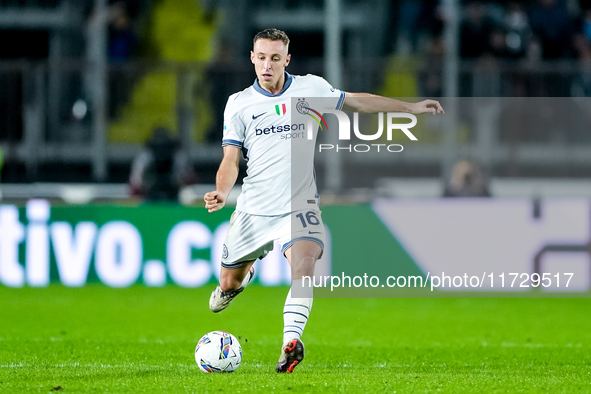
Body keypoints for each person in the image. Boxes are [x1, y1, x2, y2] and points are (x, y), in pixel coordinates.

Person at [204, 28, 443, 374]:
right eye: (261, 57)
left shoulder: (310, 89)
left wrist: (410, 106)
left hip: (300, 205)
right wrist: (223, 192)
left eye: (275, 58)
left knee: (303, 269)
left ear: (287, 60)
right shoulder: (239, 104)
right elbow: (230, 158)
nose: (267, 65)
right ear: (252, 59)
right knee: (228, 282)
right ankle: (239, 281)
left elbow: (358, 101)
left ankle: (291, 342)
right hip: (253, 210)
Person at [129, 126, 196, 201]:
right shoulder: (147, 153)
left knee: (187, 195)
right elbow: (137, 173)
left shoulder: (176, 153)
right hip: (151, 189)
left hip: (172, 189)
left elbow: (186, 174)